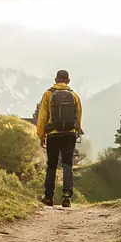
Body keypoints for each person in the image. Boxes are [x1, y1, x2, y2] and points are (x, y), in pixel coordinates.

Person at [36, 70, 82, 208]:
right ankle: (67, 196)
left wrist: (41, 135)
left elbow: (42, 117)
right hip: (69, 134)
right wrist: (77, 131)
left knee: (52, 166)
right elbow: (78, 115)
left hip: (53, 134)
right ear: (68, 80)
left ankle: (48, 197)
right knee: (67, 164)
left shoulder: (48, 94)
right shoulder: (74, 95)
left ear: (56, 79)